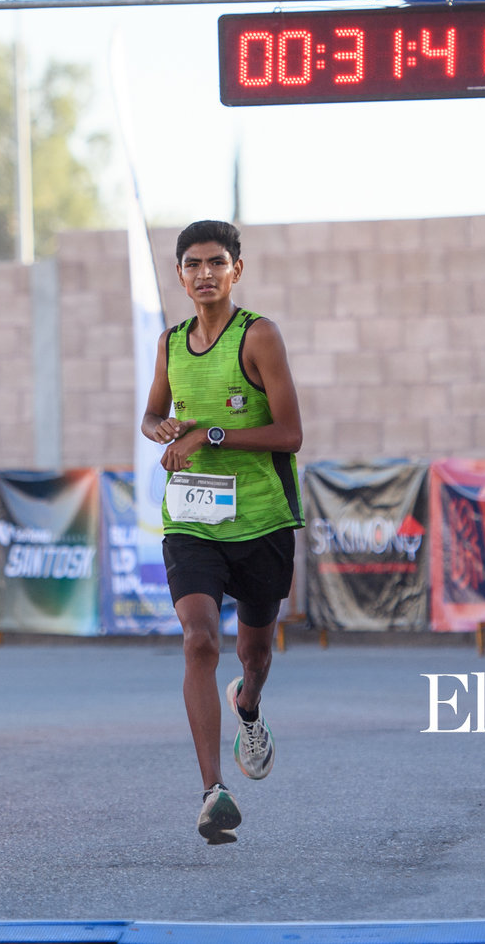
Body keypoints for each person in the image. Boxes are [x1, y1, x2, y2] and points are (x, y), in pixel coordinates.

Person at [140, 219, 304, 844]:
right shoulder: (170, 344)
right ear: (180, 275)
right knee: (199, 641)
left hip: (261, 519)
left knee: (254, 655)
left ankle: (250, 706)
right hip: (192, 519)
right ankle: (213, 793)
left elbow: (290, 434)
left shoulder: (258, 336)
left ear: (237, 269)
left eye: (216, 263)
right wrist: (159, 428)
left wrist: (207, 434)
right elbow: (155, 411)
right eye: (192, 264)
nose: (204, 274)